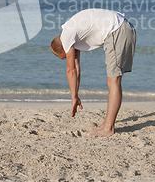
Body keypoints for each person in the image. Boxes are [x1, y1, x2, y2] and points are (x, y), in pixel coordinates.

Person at [50, 8, 136, 137]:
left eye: (65, 57)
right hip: (120, 28)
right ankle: (106, 124)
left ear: (63, 49)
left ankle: (109, 128)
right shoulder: (71, 31)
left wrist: (73, 97)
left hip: (116, 30)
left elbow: (70, 69)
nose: (69, 57)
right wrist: (76, 95)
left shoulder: (67, 36)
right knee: (113, 80)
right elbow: (77, 69)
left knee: (114, 81)